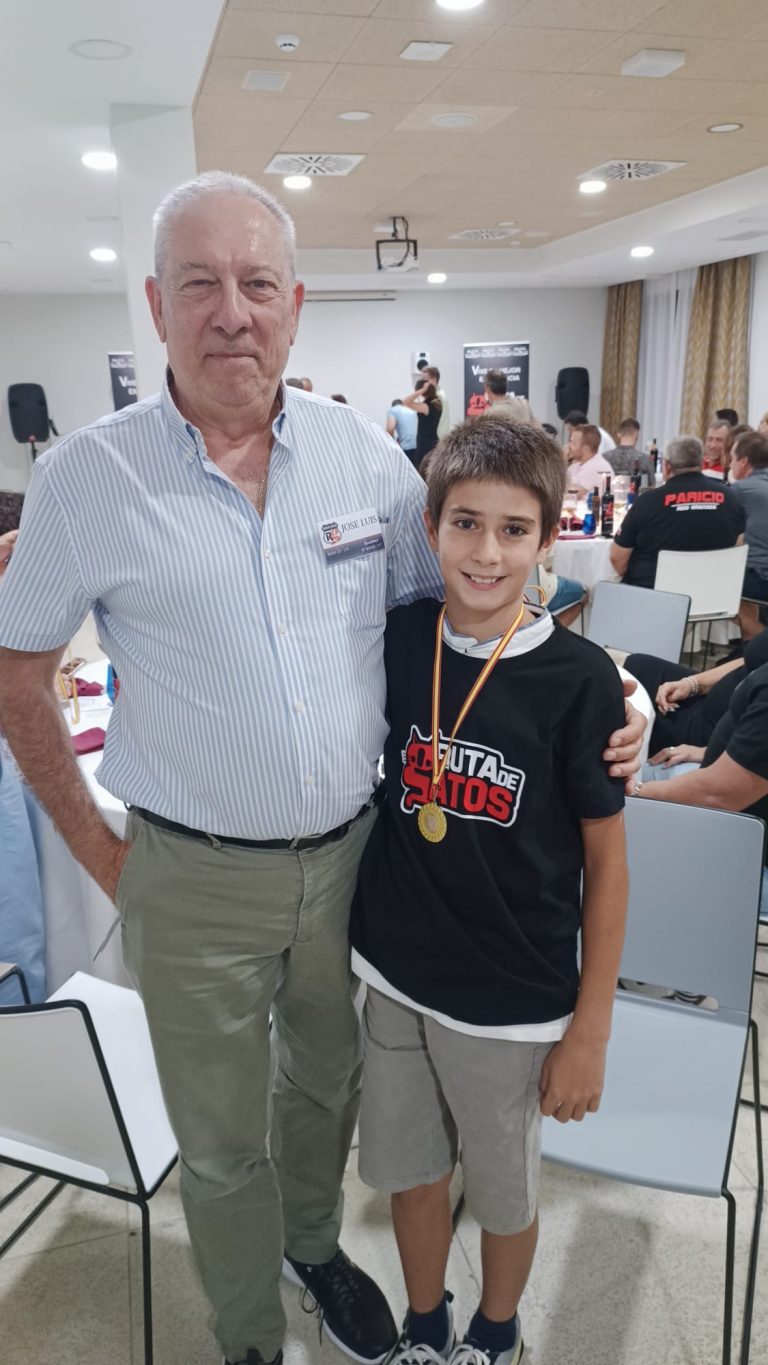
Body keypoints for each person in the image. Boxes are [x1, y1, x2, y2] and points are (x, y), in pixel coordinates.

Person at [0, 171, 647, 1365]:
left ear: (295, 306)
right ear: (156, 303)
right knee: (217, 1132)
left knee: (326, 1089)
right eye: (200, 283)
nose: (231, 312)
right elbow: (16, 672)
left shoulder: (367, 462)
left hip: (359, 865)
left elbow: (475, 604)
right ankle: (250, 1328)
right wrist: (97, 846)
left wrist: (625, 696)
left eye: (257, 283)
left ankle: (311, 1245)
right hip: (189, 873)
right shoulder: (88, 478)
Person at [349, 416, 629, 1365]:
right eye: (465, 523)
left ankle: (496, 1332)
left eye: (515, 530)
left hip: (511, 997)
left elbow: (608, 864)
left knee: (505, 1191)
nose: (486, 552)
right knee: (411, 1170)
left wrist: (591, 1028)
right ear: (430, 526)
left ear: (549, 539)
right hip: (393, 970)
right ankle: (426, 1323)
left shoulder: (580, 681)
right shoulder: (399, 638)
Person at [638, 661, 768, 915]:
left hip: (743, 855)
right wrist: (713, 751)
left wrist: (632, 794)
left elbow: (718, 794)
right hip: (728, 810)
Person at [609, 435, 744, 590]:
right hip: (713, 592)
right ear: (701, 463)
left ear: (667, 466)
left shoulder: (647, 502)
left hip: (655, 595)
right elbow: (738, 547)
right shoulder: (730, 497)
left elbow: (617, 558)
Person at [624, 628, 768, 756]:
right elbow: (748, 662)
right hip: (716, 698)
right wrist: (693, 683)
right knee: (637, 665)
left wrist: (707, 752)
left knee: (635, 717)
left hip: (720, 733)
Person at [729, 430, 768, 638]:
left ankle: (761, 644)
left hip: (763, 578)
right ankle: (750, 648)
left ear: (743, 462)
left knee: (716, 589)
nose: (730, 464)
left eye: (732, 458)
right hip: (759, 572)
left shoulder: (741, 490)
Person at [604, 418, 656, 486]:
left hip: (610, 492)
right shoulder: (645, 459)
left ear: (618, 434)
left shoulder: (605, 458)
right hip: (636, 492)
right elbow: (652, 486)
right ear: (637, 435)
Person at [404, 378, 443, 468]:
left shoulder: (426, 406)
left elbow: (405, 402)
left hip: (425, 443)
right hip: (433, 440)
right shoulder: (437, 402)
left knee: (422, 468)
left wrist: (422, 390)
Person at [566, 423, 613, 494]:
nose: (568, 446)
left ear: (586, 449)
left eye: (573, 443)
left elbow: (573, 495)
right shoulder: (576, 465)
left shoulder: (596, 466)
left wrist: (561, 459)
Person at [386, 399, 418, 467]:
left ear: (393, 406)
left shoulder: (392, 411)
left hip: (407, 447)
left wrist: (391, 441)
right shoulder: (413, 410)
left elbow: (390, 429)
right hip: (420, 446)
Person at [423, 365, 450, 440]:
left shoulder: (437, 396)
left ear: (433, 379)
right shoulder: (440, 393)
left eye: (425, 380)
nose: (423, 383)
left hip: (436, 438)